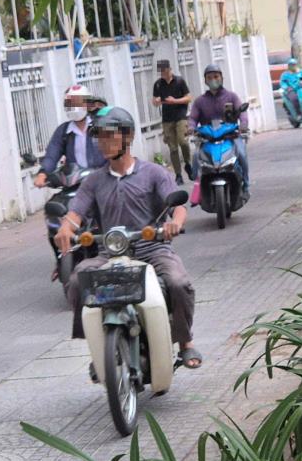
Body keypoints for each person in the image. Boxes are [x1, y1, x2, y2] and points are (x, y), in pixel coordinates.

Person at [55, 106, 202, 370]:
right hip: (109, 253)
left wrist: (174, 224)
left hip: (152, 248)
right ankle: (99, 347)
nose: (104, 143)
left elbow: (178, 205)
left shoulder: (154, 173)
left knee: (178, 283)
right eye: (99, 137)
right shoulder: (94, 182)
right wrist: (66, 228)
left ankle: (185, 342)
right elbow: (75, 212)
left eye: (110, 136)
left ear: (128, 136)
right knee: (77, 280)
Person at [188, 64, 250, 195]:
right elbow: (193, 118)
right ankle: (198, 185)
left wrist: (243, 125)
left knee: (242, 154)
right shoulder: (200, 101)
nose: (213, 80)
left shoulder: (232, 97)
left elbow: (242, 113)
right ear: (205, 80)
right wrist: (191, 127)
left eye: (216, 76)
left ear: (222, 78)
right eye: (209, 77)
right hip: (208, 138)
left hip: (231, 136)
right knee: (195, 156)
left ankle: (246, 183)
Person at [34, 84, 108, 189]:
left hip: (103, 183)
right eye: (70, 103)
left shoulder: (101, 125)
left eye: (77, 102)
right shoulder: (64, 131)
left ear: (87, 104)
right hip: (77, 186)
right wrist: (42, 174)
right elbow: (52, 155)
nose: (74, 106)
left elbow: (116, 152)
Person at [151, 59, 194, 185]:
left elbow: (189, 98)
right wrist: (156, 101)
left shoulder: (179, 81)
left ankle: (187, 163)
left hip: (180, 116)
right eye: (161, 72)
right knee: (173, 148)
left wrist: (175, 101)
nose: (163, 74)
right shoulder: (158, 84)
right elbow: (154, 101)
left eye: (165, 71)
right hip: (167, 119)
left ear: (170, 69)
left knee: (183, 141)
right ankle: (178, 174)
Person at [279, 57, 302, 122]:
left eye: (294, 65)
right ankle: (299, 114)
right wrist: (286, 87)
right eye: (291, 65)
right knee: (294, 99)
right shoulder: (285, 74)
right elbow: (283, 82)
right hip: (292, 89)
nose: (292, 66)